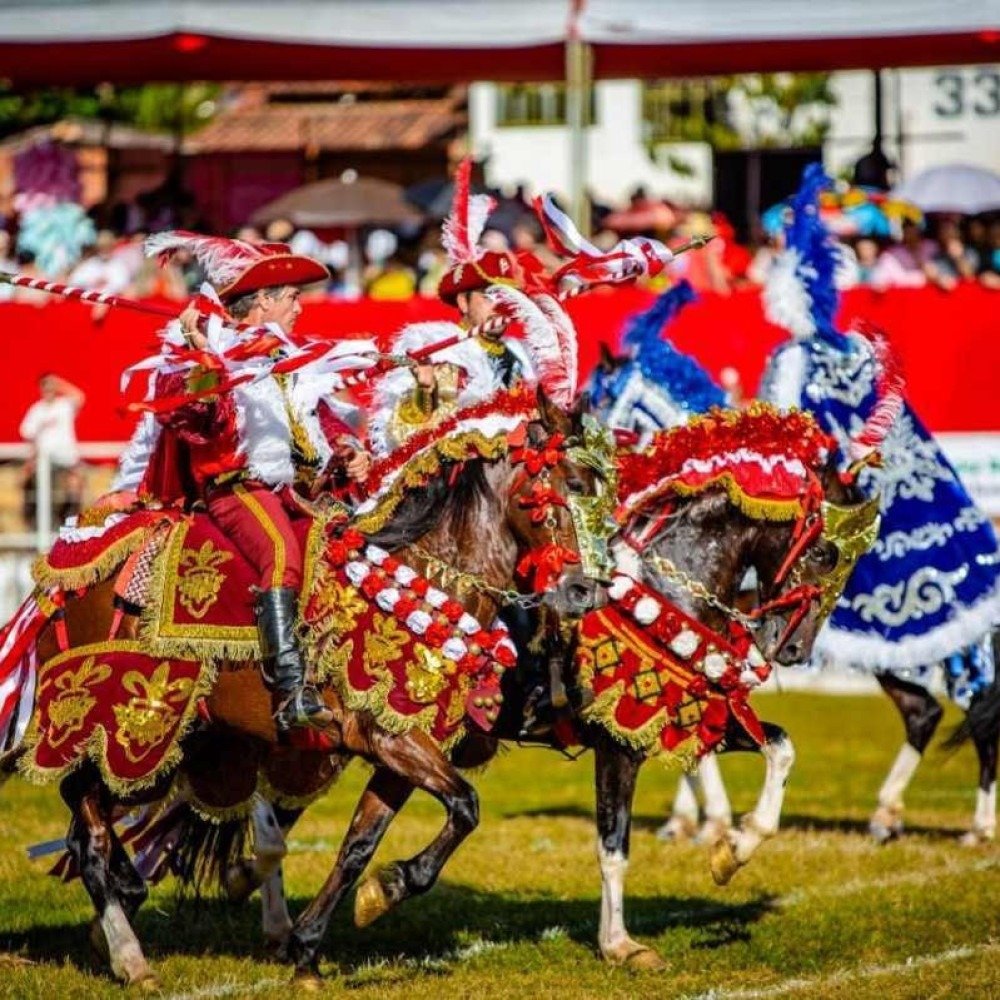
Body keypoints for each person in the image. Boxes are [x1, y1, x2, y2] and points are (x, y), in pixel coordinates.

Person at [125, 232, 371, 730]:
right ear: (262, 301)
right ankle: (289, 688)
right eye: (292, 297)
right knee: (281, 556)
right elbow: (192, 417)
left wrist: (349, 453)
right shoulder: (200, 349)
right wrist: (203, 355)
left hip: (292, 490)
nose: (301, 307)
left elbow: (316, 426)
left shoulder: (285, 359)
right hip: (236, 488)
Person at [19, 373, 85, 525]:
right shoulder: (36, 411)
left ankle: (70, 522)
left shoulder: (64, 405)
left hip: (67, 459)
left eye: (51, 386)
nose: (49, 389)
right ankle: (40, 525)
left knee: (74, 488)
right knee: (38, 491)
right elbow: (28, 434)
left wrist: (60, 383)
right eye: (45, 386)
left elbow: (79, 396)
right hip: (45, 462)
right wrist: (32, 459)